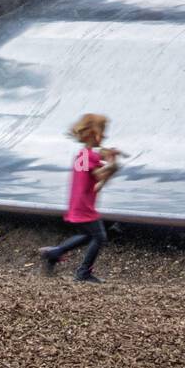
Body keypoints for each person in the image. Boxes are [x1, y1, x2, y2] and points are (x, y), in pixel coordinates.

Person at [38, 113, 123, 284]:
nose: (105, 136)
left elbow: (96, 179)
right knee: (99, 237)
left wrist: (107, 159)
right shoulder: (89, 156)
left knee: (87, 234)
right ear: (93, 133)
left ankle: (54, 253)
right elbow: (99, 177)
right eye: (103, 132)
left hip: (77, 204)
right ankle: (83, 272)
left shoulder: (82, 155)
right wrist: (113, 164)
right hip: (84, 206)